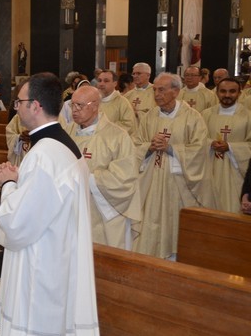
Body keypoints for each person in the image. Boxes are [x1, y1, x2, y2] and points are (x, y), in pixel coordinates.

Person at [0, 73, 100, 336]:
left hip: (40, 276)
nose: (16, 108)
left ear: (35, 106)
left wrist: (7, 184)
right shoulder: (63, 146)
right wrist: (20, 179)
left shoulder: (44, 154)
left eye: (20, 102)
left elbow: (18, 223)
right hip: (58, 264)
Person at [133, 73, 211, 259]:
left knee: (174, 223)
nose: (157, 94)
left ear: (176, 91)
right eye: (155, 90)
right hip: (152, 181)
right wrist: (149, 147)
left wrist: (171, 149)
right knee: (151, 221)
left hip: (178, 183)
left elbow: (200, 149)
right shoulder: (149, 117)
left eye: (161, 90)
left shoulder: (192, 117)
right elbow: (135, 144)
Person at [64, 86, 142, 249]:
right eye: (72, 105)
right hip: (72, 209)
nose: (74, 110)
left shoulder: (117, 136)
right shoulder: (66, 134)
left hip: (105, 212)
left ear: (95, 106)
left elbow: (125, 178)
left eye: (80, 105)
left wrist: (88, 179)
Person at [201, 77, 251, 213]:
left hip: (235, 175)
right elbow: (196, 141)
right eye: (223, 91)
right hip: (209, 171)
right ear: (216, 92)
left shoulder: (248, 117)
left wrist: (231, 147)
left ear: (239, 93)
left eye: (232, 91)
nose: (227, 95)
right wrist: (210, 143)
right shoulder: (205, 115)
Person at [96, 69, 136, 134]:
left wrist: (105, 128)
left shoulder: (123, 102)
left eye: (106, 81)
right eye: (99, 81)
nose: (101, 84)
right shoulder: (93, 101)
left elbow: (129, 125)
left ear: (115, 83)